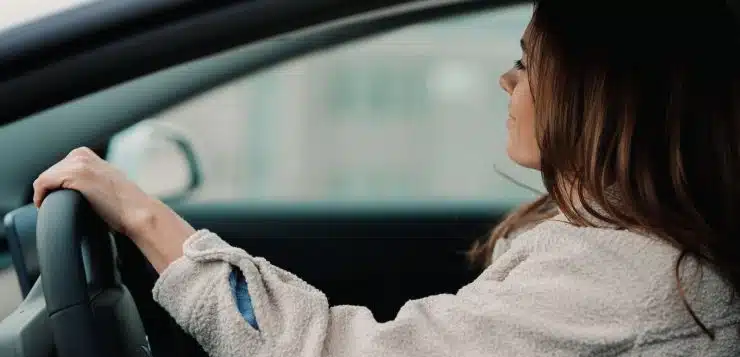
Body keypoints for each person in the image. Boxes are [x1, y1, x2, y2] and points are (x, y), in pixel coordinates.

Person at [32, 1, 740, 356]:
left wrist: (143, 216)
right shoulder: (626, 247)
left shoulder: (633, 272)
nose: (507, 80)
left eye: (527, 63)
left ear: (597, 92)